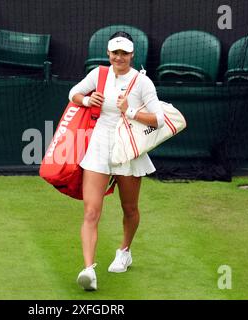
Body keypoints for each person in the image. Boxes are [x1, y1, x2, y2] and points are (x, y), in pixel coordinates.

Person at [68, 31, 165, 291]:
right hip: (99, 145)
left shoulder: (142, 83)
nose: (119, 57)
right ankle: (89, 271)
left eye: (124, 53)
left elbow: (159, 119)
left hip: (128, 149)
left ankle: (124, 250)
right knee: (91, 211)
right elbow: (73, 94)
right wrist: (88, 100)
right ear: (109, 54)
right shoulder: (98, 75)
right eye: (115, 53)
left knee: (130, 208)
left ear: (132, 55)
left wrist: (130, 110)